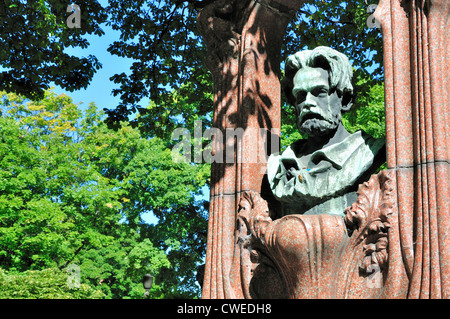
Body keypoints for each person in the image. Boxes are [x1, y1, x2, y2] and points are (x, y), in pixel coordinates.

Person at [267, 46, 385, 216]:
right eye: (300, 96)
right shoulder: (278, 166)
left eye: (319, 93)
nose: (308, 102)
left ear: (345, 99)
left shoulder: (368, 153)